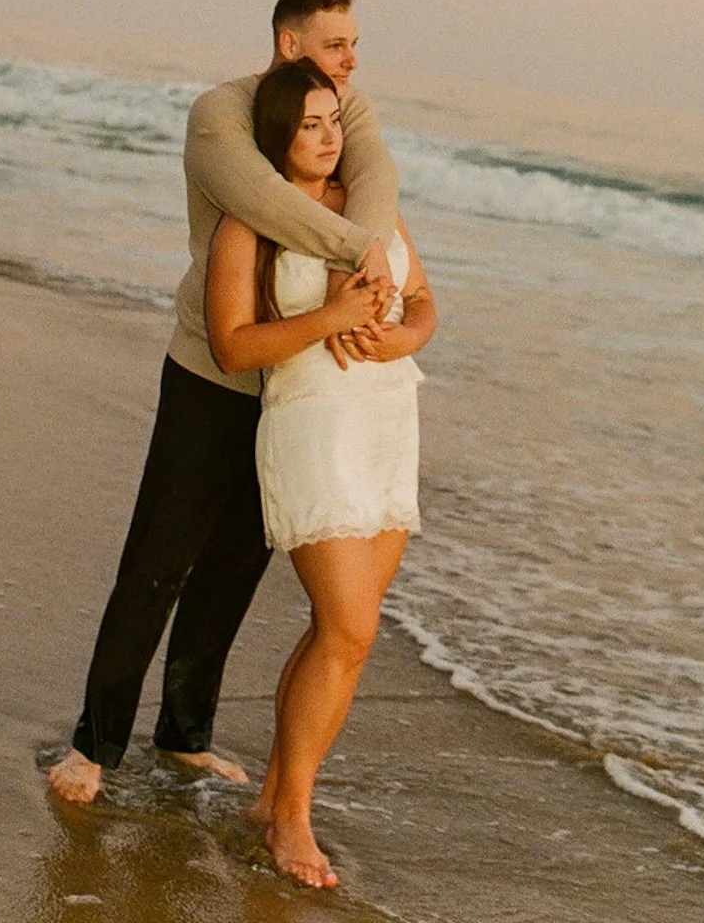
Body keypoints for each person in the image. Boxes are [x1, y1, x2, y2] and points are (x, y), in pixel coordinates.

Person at [48, 0, 399, 804]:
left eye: (355, 45)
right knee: (157, 565)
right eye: (337, 44)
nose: (352, 61)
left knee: (234, 571)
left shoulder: (344, 106)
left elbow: (377, 174)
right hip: (213, 373)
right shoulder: (221, 114)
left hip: (294, 389)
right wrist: (360, 254)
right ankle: (93, 746)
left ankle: (184, 735)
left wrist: (369, 258)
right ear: (289, 44)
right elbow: (266, 203)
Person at [206, 61, 437, 890]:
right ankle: (293, 819)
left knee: (342, 636)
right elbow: (233, 346)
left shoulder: (370, 207)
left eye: (333, 120)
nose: (329, 136)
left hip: (387, 420)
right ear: (276, 136)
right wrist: (328, 318)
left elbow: (424, 301)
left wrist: (405, 336)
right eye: (309, 124)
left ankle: (274, 798)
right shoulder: (252, 225)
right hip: (312, 422)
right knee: (348, 628)